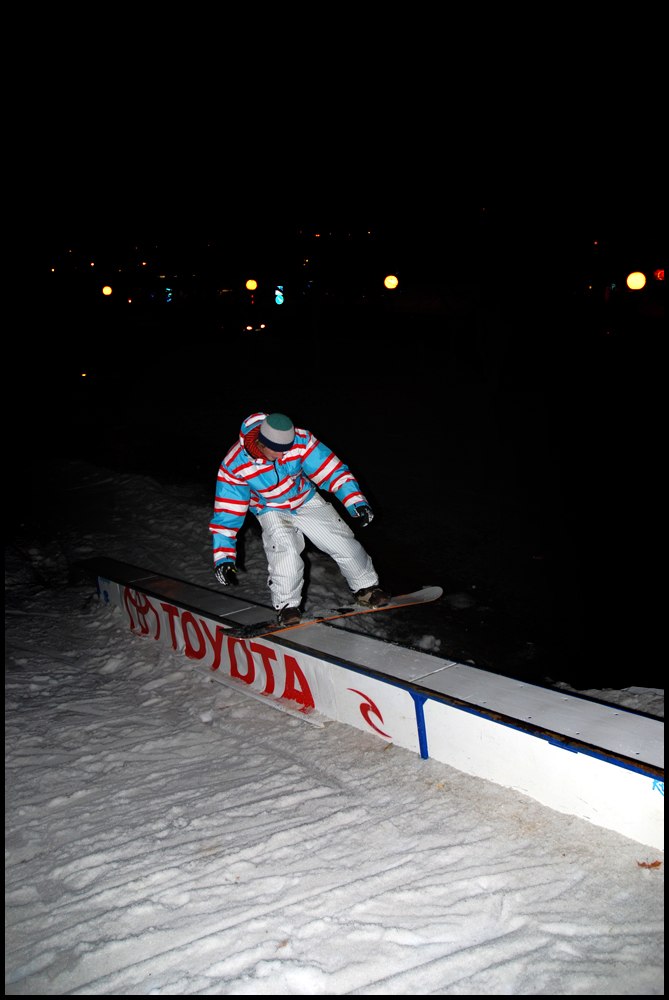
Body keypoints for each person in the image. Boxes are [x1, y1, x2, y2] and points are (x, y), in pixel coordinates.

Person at [210, 412, 390, 626]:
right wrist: (223, 557)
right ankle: (287, 607)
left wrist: (355, 501)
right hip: (270, 508)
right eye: (276, 450)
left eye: (286, 449)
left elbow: (331, 470)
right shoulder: (235, 465)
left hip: (304, 497)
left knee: (342, 542)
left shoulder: (301, 439)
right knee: (285, 553)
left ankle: (366, 589)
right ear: (261, 442)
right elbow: (228, 512)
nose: (282, 455)